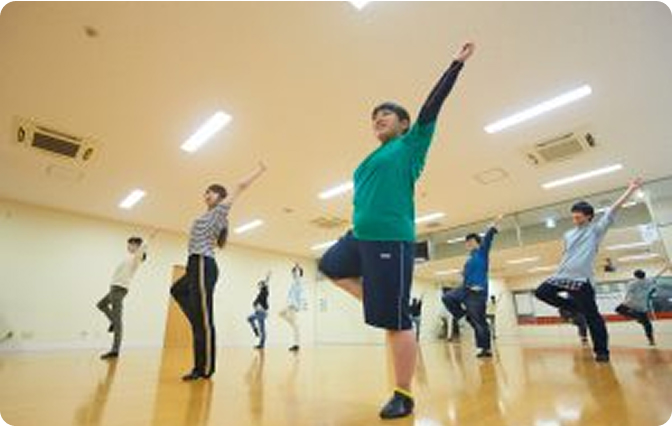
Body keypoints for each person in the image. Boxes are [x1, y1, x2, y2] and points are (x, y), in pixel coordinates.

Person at [318, 41, 475, 419]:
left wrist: (455, 65)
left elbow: (432, 107)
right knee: (330, 266)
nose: (378, 118)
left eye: (386, 113)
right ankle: (381, 301)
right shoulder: (371, 157)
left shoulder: (411, 145)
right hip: (359, 237)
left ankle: (403, 394)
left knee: (395, 324)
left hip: (391, 239)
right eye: (374, 116)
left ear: (404, 124)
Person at [170, 162, 267, 381]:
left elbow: (240, 186)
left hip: (203, 264)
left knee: (204, 321)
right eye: (206, 192)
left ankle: (204, 369)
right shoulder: (207, 215)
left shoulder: (219, 212)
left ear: (221, 198)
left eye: (212, 192)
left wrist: (259, 170)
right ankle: (199, 321)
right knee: (177, 290)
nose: (207, 194)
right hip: (194, 265)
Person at [534, 178, 643, 363]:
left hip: (582, 279)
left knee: (593, 317)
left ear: (588, 216)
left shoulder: (595, 230)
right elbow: (568, 253)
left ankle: (602, 352)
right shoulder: (568, 234)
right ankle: (576, 308)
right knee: (541, 292)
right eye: (573, 217)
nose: (575, 220)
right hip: (562, 275)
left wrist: (630, 189)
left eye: (578, 217)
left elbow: (612, 210)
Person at [442, 216, 501, 358]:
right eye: (467, 242)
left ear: (478, 243)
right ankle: (463, 315)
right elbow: (468, 275)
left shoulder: (482, 253)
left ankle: (485, 349)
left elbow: (488, 238)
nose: (468, 244)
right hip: (465, 290)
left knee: (479, 322)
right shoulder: (469, 260)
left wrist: (493, 226)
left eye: (471, 241)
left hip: (477, 294)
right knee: (447, 297)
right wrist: (463, 273)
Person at [96, 234, 153, 360]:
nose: (128, 246)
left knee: (118, 321)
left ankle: (115, 350)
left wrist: (146, 241)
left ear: (136, 246)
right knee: (101, 304)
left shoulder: (136, 259)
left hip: (119, 289)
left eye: (130, 244)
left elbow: (142, 251)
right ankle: (113, 322)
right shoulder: (129, 258)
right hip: (114, 288)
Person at [615, 268, 665, 346]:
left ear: (635, 276)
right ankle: (651, 340)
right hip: (642, 305)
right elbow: (653, 290)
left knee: (618, 309)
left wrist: (624, 301)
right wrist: (651, 285)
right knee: (647, 324)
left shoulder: (632, 283)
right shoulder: (649, 281)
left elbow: (628, 293)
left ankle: (636, 317)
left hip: (630, 303)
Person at [279, 263, 304, 352]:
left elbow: (298, 275)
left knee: (294, 325)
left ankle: (296, 344)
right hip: (290, 304)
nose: (293, 274)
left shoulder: (298, 281)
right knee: (281, 314)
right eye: (293, 272)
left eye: (294, 272)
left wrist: (297, 268)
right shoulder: (294, 282)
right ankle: (296, 343)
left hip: (293, 305)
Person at [248, 272, 271, 350]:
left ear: (263, 286)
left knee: (262, 329)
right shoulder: (260, 293)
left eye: (260, 285)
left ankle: (261, 344)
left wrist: (267, 277)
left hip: (262, 313)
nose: (259, 286)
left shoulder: (264, 292)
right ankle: (256, 331)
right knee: (249, 318)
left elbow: (266, 283)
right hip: (257, 312)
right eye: (258, 285)